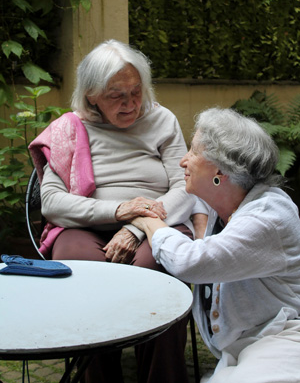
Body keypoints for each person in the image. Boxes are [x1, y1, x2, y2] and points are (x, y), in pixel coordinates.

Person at [29, 39, 208, 383]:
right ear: (92, 94)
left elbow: (185, 189)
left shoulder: (161, 120)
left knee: (157, 271)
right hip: (87, 225)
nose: (131, 104)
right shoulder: (69, 128)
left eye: (136, 92)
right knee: (80, 272)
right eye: (116, 95)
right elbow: (51, 202)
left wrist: (138, 227)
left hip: (157, 222)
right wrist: (120, 211)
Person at [131, 107, 300, 383]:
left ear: (220, 168)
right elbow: (188, 203)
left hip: (282, 340)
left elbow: (190, 262)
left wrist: (148, 224)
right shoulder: (221, 204)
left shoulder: (270, 214)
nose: (183, 161)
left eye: (194, 152)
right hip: (239, 351)